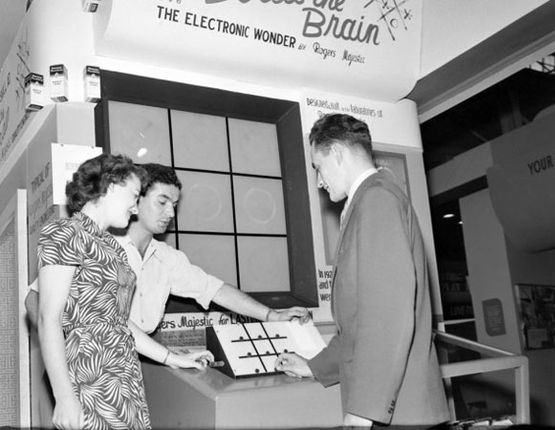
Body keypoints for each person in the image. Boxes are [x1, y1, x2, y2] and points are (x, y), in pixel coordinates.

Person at [275, 114, 450, 428]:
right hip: (397, 408)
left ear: (338, 154)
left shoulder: (376, 200)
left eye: (318, 166)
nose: (319, 180)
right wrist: (316, 367)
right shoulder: (372, 199)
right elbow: (359, 321)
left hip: (396, 413)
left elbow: (388, 315)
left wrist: (365, 409)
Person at [37, 154, 213, 430]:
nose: (134, 207)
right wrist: (63, 396)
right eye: (133, 195)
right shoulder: (65, 232)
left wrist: (173, 358)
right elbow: (48, 318)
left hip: (124, 373)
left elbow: (120, 324)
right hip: (90, 372)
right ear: (109, 187)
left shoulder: (112, 247)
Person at [113, 163, 310, 336]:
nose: (171, 213)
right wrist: (170, 357)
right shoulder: (103, 249)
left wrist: (271, 315)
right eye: (162, 202)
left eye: (174, 205)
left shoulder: (166, 258)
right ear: (135, 199)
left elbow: (213, 289)